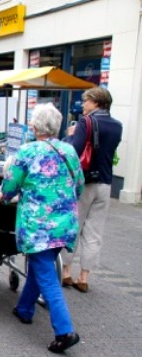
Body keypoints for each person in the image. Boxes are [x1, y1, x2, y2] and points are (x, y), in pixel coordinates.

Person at [1, 103, 83, 353]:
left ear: (34, 127)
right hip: (65, 223)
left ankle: (64, 331)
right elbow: (78, 185)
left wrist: (4, 197)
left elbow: (9, 187)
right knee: (42, 267)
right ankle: (25, 308)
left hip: (38, 227)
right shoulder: (68, 150)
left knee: (47, 277)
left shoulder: (27, 151)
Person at [61, 87, 123, 293]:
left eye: (85, 101)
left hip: (84, 182)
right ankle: (84, 276)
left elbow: (73, 151)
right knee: (95, 231)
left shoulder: (85, 122)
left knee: (74, 226)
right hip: (105, 182)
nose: (83, 105)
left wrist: (70, 135)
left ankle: (66, 271)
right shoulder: (117, 126)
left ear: (96, 102)